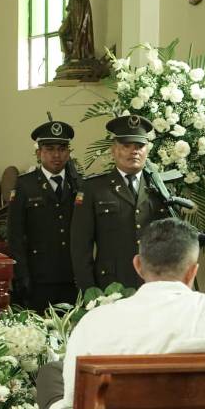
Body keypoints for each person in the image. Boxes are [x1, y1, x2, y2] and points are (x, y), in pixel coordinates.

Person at [38, 218, 205, 409]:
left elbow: (75, 406)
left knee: (50, 375)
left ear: (138, 266)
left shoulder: (95, 322)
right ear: (192, 271)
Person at [70, 114, 170, 290]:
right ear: (114, 150)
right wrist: (89, 289)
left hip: (154, 283)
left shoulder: (160, 188)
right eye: (126, 146)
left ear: (147, 150)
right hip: (110, 285)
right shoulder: (93, 188)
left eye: (140, 146)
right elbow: (80, 245)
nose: (134, 151)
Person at [7, 119, 82, 312]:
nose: (56, 155)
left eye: (62, 148)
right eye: (49, 149)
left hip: (73, 274)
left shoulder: (79, 184)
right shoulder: (25, 185)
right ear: (39, 153)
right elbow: (15, 234)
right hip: (38, 275)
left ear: (69, 152)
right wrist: (20, 274)